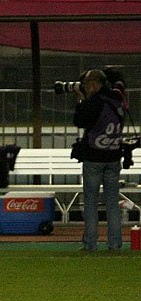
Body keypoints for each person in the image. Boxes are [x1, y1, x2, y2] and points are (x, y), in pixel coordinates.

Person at [73, 69, 125, 251]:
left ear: (93, 84)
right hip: (113, 157)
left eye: (87, 84)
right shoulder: (117, 99)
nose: (85, 87)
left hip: (94, 158)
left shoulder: (95, 102)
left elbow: (79, 120)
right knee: (112, 204)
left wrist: (81, 99)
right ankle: (115, 243)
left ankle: (90, 243)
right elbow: (119, 79)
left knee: (90, 203)